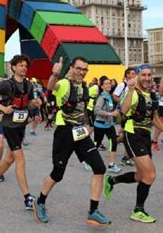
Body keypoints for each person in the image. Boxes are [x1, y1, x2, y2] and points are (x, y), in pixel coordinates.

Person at [33, 56, 111, 227]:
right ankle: (39, 202)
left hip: (80, 132)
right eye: (79, 68)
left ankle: (93, 211)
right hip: (64, 133)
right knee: (57, 174)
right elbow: (52, 87)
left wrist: (91, 127)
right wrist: (54, 74)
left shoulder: (86, 87)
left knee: (99, 168)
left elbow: (86, 110)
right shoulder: (65, 84)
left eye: (85, 69)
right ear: (72, 68)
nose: (82, 72)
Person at [104, 64, 163, 224]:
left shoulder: (152, 95)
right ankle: (138, 210)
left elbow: (153, 117)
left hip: (145, 135)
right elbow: (124, 110)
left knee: (141, 176)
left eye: (149, 75)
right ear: (137, 76)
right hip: (133, 135)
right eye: (143, 75)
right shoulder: (133, 92)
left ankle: (112, 181)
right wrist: (131, 89)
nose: (147, 78)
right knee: (150, 175)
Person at [0, 55, 42, 211]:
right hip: (9, 125)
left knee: (9, 158)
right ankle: (27, 198)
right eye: (20, 65)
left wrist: (34, 103)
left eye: (25, 65)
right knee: (20, 159)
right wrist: (3, 109)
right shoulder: (6, 85)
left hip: (20, 125)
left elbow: (28, 103)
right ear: (14, 67)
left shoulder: (28, 85)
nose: (24, 68)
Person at [93, 76, 122, 173]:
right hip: (100, 125)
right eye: (106, 84)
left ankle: (111, 164)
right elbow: (96, 110)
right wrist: (110, 113)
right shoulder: (102, 97)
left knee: (113, 142)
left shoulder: (109, 96)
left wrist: (115, 111)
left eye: (109, 83)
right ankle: (88, 160)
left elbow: (112, 108)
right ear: (101, 86)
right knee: (96, 144)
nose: (109, 85)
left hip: (109, 125)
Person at [113, 68, 136, 165]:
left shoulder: (134, 85)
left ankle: (114, 142)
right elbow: (115, 95)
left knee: (125, 133)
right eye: (132, 73)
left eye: (135, 73)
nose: (134, 75)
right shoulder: (123, 85)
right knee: (128, 134)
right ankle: (124, 156)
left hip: (131, 112)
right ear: (127, 75)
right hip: (125, 112)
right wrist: (123, 103)